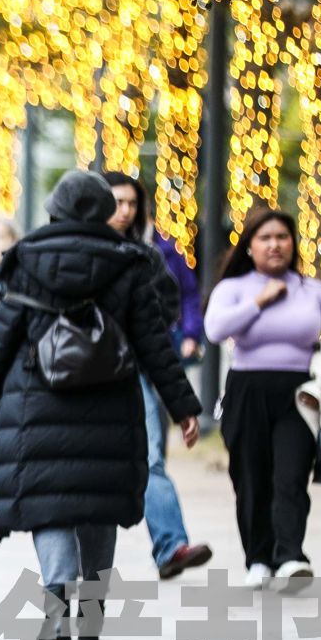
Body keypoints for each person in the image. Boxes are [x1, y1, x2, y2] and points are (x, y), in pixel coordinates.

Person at [0, 172, 201, 640]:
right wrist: (182, 406)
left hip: (38, 402)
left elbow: (0, 344)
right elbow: (154, 343)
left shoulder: (26, 258)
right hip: (110, 401)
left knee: (50, 506)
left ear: (54, 208)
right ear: (103, 210)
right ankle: (93, 610)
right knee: (98, 505)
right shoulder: (130, 262)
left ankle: (55, 605)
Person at [204, 209, 321, 590]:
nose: (274, 245)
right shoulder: (234, 289)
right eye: (265, 238)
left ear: (293, 244)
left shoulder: (312, 290)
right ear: (249, 247)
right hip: (247, 391)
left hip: (301, 395)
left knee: (291, 475)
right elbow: (215, 329)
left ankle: (290, 556)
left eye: (282, 237)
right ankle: (258, 559)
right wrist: (259, 302)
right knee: (250, 478)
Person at [103, 172, 213, 580]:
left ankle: (170, 546)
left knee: (150, 461)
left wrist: (186, 335)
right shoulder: (74, 251)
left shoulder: (154, 252)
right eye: (117, 201)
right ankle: (76, 580)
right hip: (85, 379)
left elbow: (180, 298)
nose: (126, 210)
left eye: (132, 202)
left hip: (139, 372)